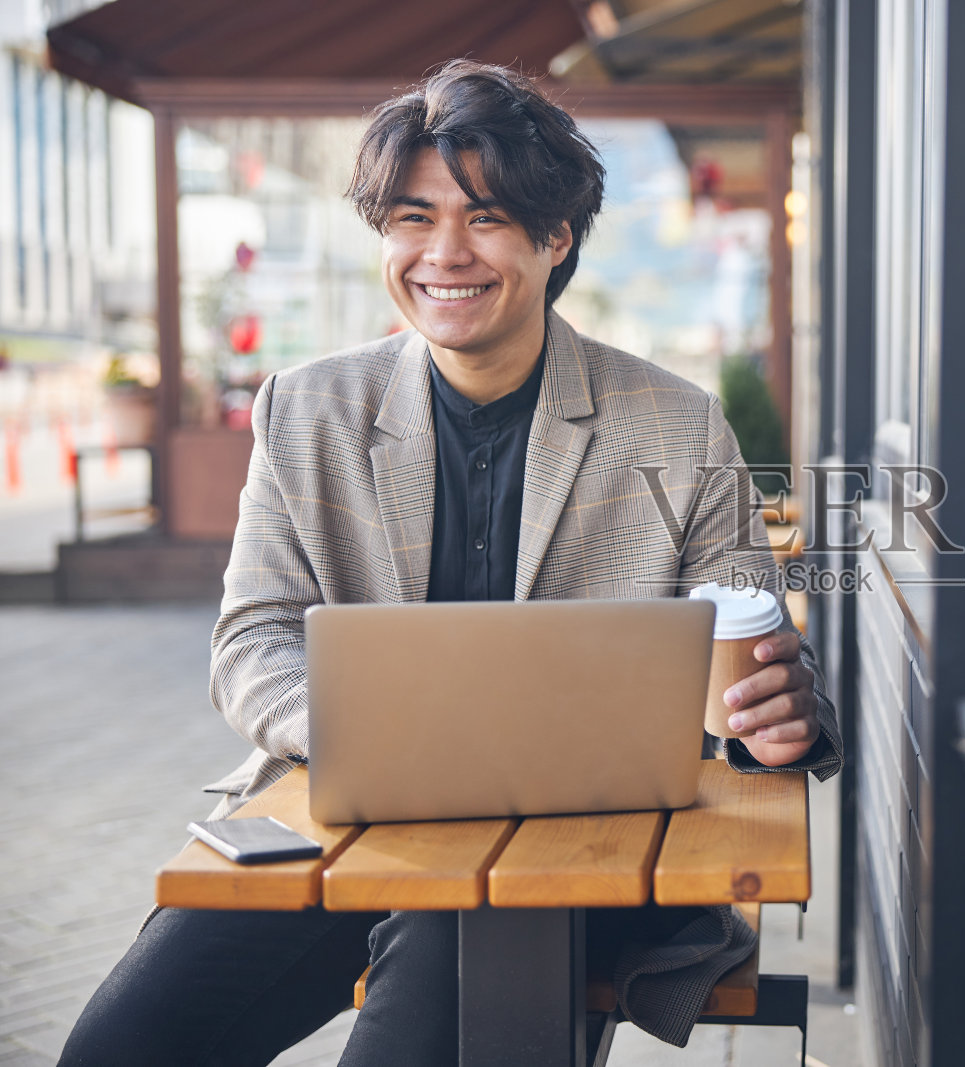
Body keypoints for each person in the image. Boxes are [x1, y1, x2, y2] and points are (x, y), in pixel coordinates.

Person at [61, 60, 840, 1065]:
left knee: (444, 1001)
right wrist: (371, 742)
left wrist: (771, 712)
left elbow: (742, 637)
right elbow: (252, 639)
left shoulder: (675, 424)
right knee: (119, 1045)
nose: (443, 254)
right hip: (354, 824)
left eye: (484, 217)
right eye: (412, 218)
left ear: (556, 238)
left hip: (581, 845)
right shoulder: (307, 409)